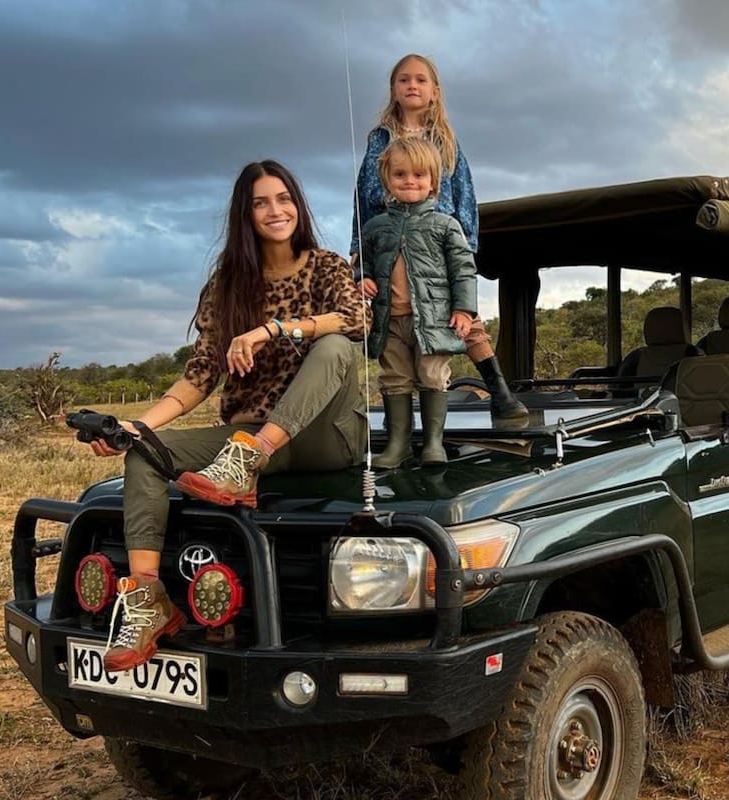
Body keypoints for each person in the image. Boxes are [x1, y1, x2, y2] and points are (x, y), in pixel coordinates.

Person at [86, 160, 368, 672]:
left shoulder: (326, 265)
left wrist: (272, 329)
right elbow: (198, 375)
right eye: (261, 202)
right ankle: (148, 601)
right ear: (246, 213)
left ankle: (248, 459)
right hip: (251, 435)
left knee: (333, 344)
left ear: (298, 205)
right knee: (146, 456)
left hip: (325, 433)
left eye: (283, 199)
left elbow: (355, 320)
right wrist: (140, 426)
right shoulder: (228, 285)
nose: (275, 210)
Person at [351, 53, 528, 421]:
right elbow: (361, 194)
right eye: (403, 80)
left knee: (461, 318)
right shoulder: (378, 139)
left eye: (420, 80)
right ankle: (402, 419)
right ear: (393, 90)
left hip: (437, 240)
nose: (411, 85)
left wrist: (467, 249)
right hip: (390, 238)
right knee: (399, 321)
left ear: (434, 91)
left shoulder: (445, 140)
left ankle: (499, 391)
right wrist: (359, 253)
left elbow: (466, 194)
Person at [360, 137, 477, 468]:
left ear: (433, 182)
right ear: (387, 180)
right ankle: (398, 445)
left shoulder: (445, 225)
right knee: (395, 377)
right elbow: (363, 264)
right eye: (400, 175)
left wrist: (464, 309)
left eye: (419, 176)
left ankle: (433, 443)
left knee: (432, 374)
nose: (410, 181)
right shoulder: (375, 227)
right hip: (390, 321)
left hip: (434, 321)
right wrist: (361, 278)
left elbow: (463, 270)